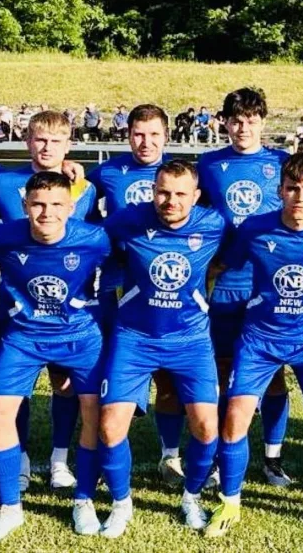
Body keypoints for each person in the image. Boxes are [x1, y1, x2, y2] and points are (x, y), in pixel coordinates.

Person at [204, 153, 303, 540]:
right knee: (236, 414)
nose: (299, 197)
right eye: (292, 188)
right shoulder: (255, 228)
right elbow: (217, 265)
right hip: (260, 338)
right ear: (280, 191)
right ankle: (230, 502)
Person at [0, 172, 111, 544]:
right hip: (24, 338)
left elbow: (122, 270)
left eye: (56, 205)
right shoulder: (2, 237)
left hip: (80, 337)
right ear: (24, 206)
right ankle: (9, 508)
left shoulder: (95, 238)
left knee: (94, 413)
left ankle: (84, 500)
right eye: (37, 204)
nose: (46, 212)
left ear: (71, 207)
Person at [98, 160, 226, 537]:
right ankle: (121, 504)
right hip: (134, 337)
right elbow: (92, 243)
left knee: (207, 427)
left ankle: (191, 497)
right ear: (152, 191)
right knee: (110, 427)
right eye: (163, 192)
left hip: (190, 340)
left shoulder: (214, 224)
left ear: (196, 196)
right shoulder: (128, 220)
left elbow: (231, 256)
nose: (171, 201)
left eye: (180, 194)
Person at [0, 110, 98, 493]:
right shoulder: (2, 183)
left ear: (69, 145)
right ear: (27, 141)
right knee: (16, 388)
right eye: (40, 140)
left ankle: (59, 459)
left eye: (56, 141)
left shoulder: (85, 188)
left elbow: (89, 240)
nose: (47, 147)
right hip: (16, 306)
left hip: (68, 309)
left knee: (65, 384)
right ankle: (18, 459)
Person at [197, 88, 294, 487]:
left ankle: (273, 458)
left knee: (273, 372)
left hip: (270, 284)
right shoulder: (209, 164)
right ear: (224, 122)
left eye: (251, 121)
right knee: (222, 370)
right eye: (236, 121)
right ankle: (221, 456)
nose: (243, 128)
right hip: (225, 283)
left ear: (262, 121)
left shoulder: (281, 163)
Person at [88, 105, 188, 488]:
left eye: (154, 134)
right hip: (118, 288)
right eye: (138, 134)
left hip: (167, 290)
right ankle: (107, 453)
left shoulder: (181, 175)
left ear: (167, 136)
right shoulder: (108, 172)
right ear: (127, 135)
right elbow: (80, 203)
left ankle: (169, 455)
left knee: (167, 377)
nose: (146, 142)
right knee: (113, 373)